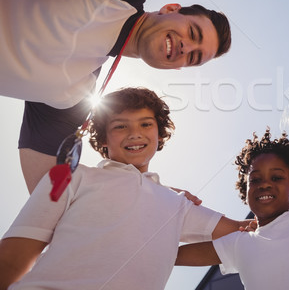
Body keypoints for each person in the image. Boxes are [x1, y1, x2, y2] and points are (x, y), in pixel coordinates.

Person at [0, 0, 232, 193]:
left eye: (194, 57)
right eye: (193, 33)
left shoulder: (73, 97)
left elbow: (47, 195)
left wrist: (153, 199)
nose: (187, 48)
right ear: (171, 9)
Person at [0, 87, 248, 290]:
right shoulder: (71, 176)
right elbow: (12, 258)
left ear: (159, 134)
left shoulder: (179, 204)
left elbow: (245, 234)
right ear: (104, 139)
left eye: (145, 125)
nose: (134, 134)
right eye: (120, 126)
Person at [176, 128, 289, 290]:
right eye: (255, 180)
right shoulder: (238, 242)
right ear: (245, 189)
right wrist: (169, 196)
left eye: (276, 178)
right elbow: (170, 255)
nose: (264, 184)